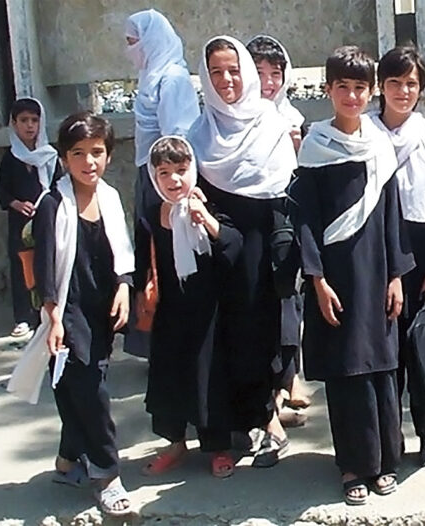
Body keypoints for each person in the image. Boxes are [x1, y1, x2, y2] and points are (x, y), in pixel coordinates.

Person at [289, 45, 414, 504]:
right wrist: (316, 279)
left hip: (377, 274)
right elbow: (303, 222)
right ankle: (351, 468)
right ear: (328, 90)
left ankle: (384, 462)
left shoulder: (380, 146)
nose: (352, 96)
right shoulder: (315, 150)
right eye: (342, 87)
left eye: (360, 87)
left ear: (371, 91)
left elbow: (392, 217)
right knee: (347, 373)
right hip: (336, 280)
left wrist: (398, 274)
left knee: (381, 367)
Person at [187, 35, 298, 467]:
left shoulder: (270, 125)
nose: (227, 80)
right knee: (224, 334)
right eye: (217, 72)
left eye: (234, 70)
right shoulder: (199, 133)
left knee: (260, 331)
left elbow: (284, 193)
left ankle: (266, 414)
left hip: (259, 248)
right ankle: (236, 421)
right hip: (215, 247)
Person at [26, 112, 135, 515]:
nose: (89, 162)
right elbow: (45, 270)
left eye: (97, 152)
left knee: (76, 387)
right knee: (91, 391)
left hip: (101, 307)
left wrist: (124, 287)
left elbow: (121, 251)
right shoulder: (53, 204)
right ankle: (107, 476)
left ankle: (67, 461)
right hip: (68, 311)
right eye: (78, 154)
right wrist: (53, 317)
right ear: (64, 157)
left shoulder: (109, 196)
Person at [138, 136, 243, 478]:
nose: (174, 180)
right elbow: (142, 262)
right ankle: (174, 443)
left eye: (181, 170)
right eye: (164, 172)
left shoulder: (206, 206)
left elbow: (233, 247)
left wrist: (207, 223)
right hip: (170, 313)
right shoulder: (152, 216)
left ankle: (217, 447)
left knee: (208, 378)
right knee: (169, 378)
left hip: (207, 314)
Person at [371, 46, 425, 467]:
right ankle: (385, 438)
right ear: (380, 86)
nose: (403, 91)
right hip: (370, 258)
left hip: (416, 258)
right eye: (395, 82)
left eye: (412, 84)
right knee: (381, 354)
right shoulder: (360, 135)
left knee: (417, 351)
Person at [124, 8, 200, 359]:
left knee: (166, 257)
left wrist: (172, 187)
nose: (131, 49)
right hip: (149, 177)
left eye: (134, 42)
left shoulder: (172, 79)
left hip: (164, 181)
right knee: (149, 257)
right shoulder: (151, 76)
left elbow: (177, 138)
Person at [246, 34, 310, 424]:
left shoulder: (293, 120)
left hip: (285, 219)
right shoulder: (233, 118)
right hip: (250, 221)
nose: (268, 82)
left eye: (275, 73)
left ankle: (290, 378)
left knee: (290, 298)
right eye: (259, 73)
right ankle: (271, 395)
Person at [0, 97, 60, 338]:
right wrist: (16, 204)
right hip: (20, 222)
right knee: (22, 267)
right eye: (24, 120)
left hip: (46, 221)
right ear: (14, 124)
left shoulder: (50, 156)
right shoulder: (10, 158)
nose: (30, 126)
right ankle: (24, 316)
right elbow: (2, 192)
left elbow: (58, 188)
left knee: (46, 262)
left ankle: (46, 309)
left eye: (34, 120)